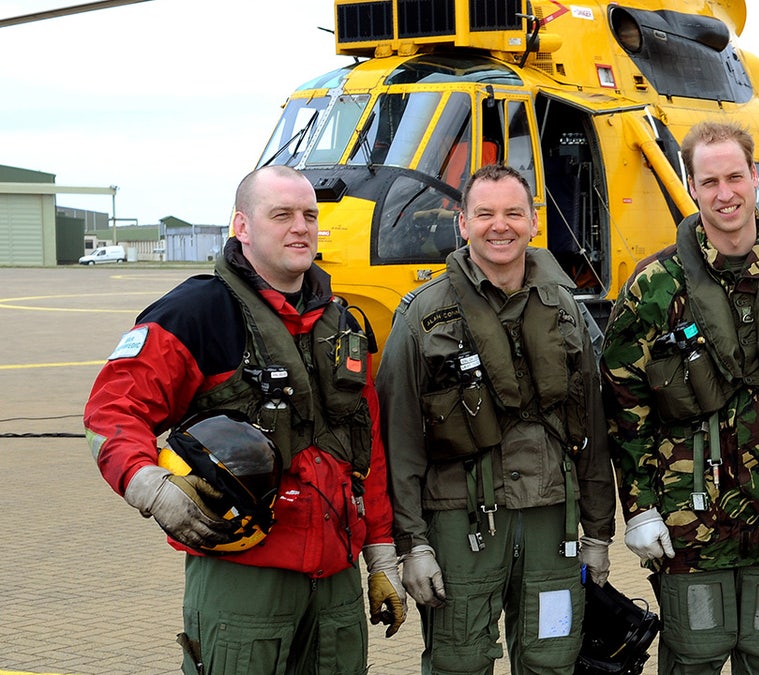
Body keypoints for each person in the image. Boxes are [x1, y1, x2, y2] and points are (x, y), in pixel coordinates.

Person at [84, 165, 405, 674]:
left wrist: (382, 558)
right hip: (244, 582)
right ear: (242, 226)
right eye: (281, 215)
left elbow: (367, 452)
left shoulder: (344, 326)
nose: (300, 227)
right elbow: (112, 411)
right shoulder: (197, 314)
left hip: (337, 583)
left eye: (309, 215)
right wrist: (151, 486)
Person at [600, 120, 759, 674]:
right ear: (692, 187)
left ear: (755, 180)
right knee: (693, 660)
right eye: (710, 180)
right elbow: (624, 406)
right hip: (689, 527)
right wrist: (640, 508)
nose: (725, 193)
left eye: (735, 177)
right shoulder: (656, 286)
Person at [376, 164, 616, 675]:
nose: (499, 226)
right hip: (460, 523)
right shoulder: (422, 316)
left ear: (534, 222)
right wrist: (412, 544)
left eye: (513, 213)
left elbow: (593, 430)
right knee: (459, 663)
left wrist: (597, 533)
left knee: (552, 661)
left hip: (553, 520)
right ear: (462, 224)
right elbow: (397, 441)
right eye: (484, 213)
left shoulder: (568, 312)